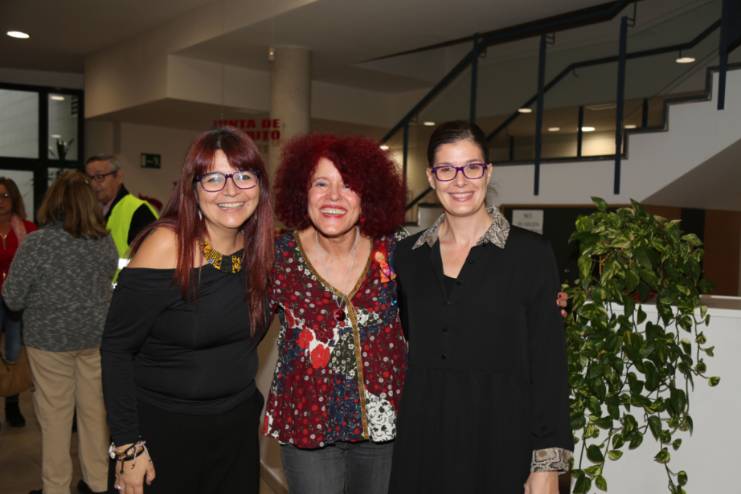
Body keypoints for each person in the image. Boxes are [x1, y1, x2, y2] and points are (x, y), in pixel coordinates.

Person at [388, 120, 573, 494]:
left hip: (502, 443)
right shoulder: (407, 256)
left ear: (487, 172)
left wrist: (547, 465)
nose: (460, 181)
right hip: (422, 444)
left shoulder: (530, 255)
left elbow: (549, 364)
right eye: (446, 169)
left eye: (471, 167)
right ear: (431, 177)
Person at [101, 127, 274, 494]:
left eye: (243, 175)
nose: (230, 190)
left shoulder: (262, 252)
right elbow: (116, 348)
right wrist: (128, 446)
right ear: (192, 189)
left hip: (236, 434)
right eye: (213, 178)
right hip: (163, 434)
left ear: (260, 186)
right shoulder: (167, 245)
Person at [264, 133, 407, 494]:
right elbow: (225, 295)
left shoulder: (396, 251)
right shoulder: (277, 256)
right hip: (308, 428)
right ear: (302, 191)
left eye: (348, 185)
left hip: (383, 429)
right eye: (321, 183)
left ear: (368, 195)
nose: (333, 197)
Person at [2, 171, 118, 494]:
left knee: (55, 418)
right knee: (94, 414)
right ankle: (97, 484)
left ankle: (56, 488)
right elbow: (109, 276)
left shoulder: (36, 243)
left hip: (49, 342)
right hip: (95, 339)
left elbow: (13, 298)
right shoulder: (104, 241)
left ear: (52, 202)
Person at [0, 177, 36, 429]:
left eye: (5, 196)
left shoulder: (28, 229)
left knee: (14, 351)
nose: (0, 201)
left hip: (16, 300)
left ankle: (12, 404)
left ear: (13, 199)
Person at [84, 155, 158, 274]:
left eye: (99, 177)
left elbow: (153, 260)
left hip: (127, 284)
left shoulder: (139, 211)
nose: (93, 184)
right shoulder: (87, 212)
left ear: (118, 177)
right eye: (89, 179)